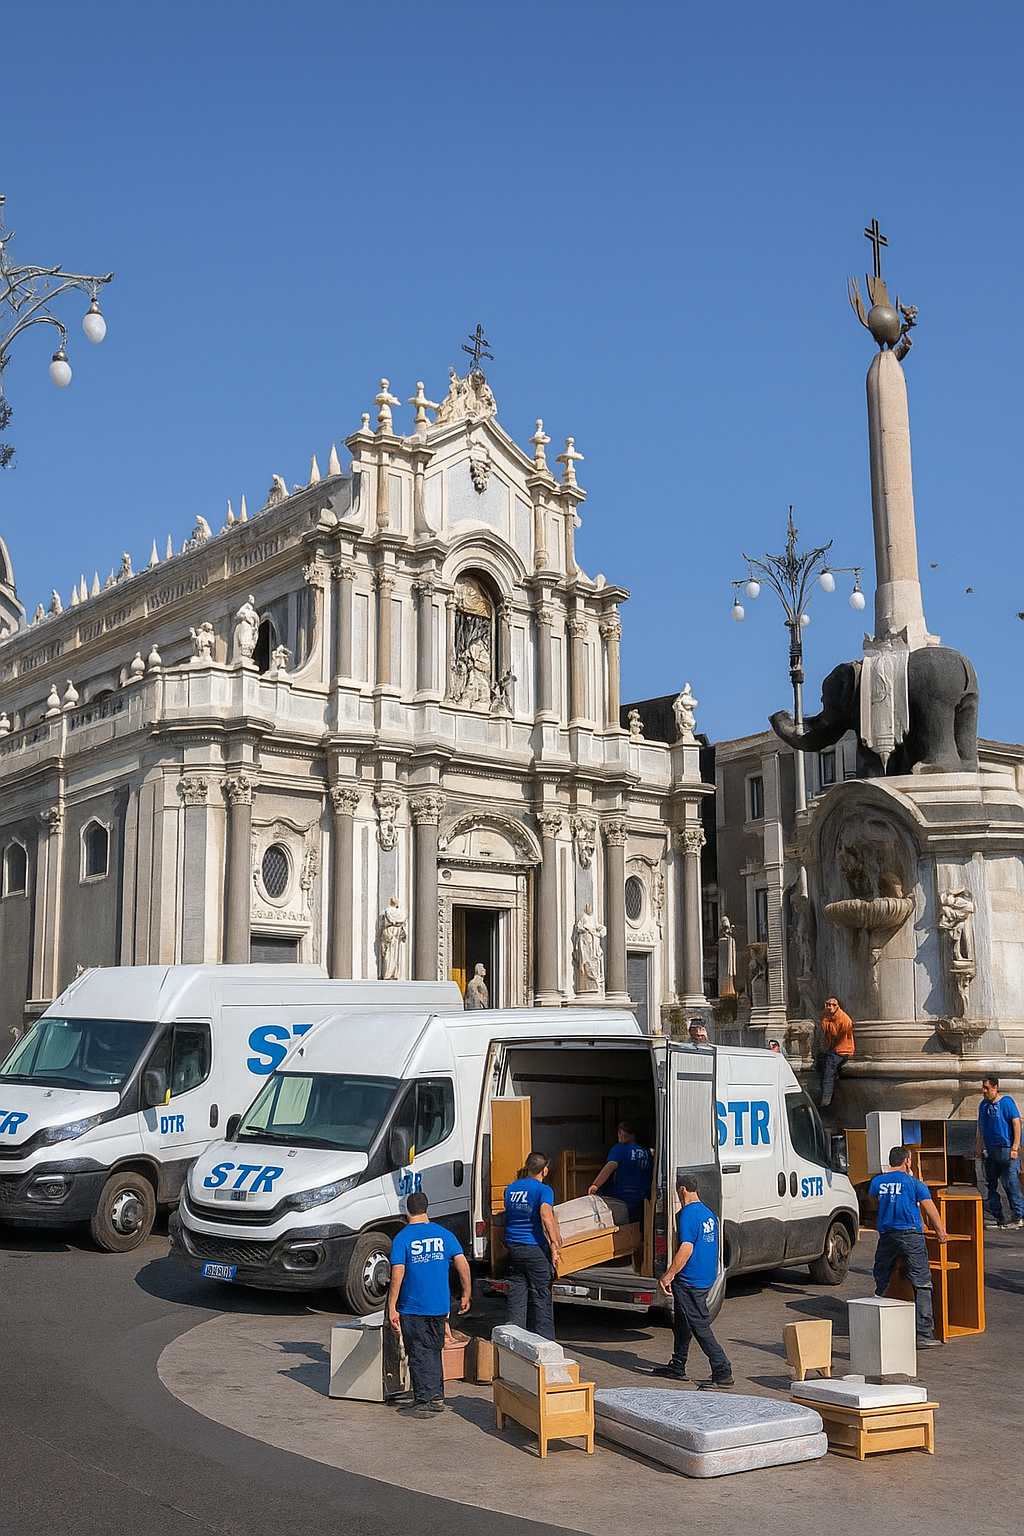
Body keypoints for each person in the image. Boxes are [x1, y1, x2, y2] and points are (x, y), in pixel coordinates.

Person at [387, 1191, 472, 1419]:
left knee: (419, 1353)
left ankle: (428, 1400)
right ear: (427, 1208)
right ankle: (433, 1395)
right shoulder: (444, 1235)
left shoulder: (403, 1238)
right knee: (433, 1351)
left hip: (414, 1306)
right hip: (439, 1306)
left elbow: (398, 1274)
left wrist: (392, 1306)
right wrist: (466, 1293)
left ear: (407, 1210)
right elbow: (462, 1264)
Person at [654, 1174, 733, 1389]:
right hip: (704, 1276)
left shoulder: (688, 1214)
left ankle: (722, 1370)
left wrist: (668, 1274)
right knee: (682, 1322)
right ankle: (677, 1364)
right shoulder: (709, 1214)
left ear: (682, 1190)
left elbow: (686, 1248)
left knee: (698, 1325)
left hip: (689, 1280)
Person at [869, 1145, 948, 1349]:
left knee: (882, 1277)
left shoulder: (877, 1182)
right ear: (907, 1161)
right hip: (911, 1235)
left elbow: (874, 1203)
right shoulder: (915, 1184)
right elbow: (931, 1210)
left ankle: (880, 1324)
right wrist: (941, 1233)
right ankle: (923, 1333)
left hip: (887, 1235)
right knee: (922, 1283)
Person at [503, 1151, 562, 1340]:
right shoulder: (543, 1190)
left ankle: (515, 1337)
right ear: (545, 1170)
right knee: (541, 1295)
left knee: (518, 1293)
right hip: (533, 1246)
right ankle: (546, 1342)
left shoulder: (511, 1188)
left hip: (514, 1247)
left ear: (528, 1167)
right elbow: (546, 1215)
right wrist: (554, 1244)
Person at [974, 1075, 1024, 1229]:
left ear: (995, 1088)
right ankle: (997, 1216)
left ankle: (1018, 1216)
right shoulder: (983, 1105)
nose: (984, 1091)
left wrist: (1015, 1147)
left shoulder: (1006, 1102)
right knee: (991, 1184)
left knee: (1011, 1183)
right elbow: (980, 1126)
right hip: (990, 1150)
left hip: (1006, 1149)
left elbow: (1016, 1123)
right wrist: (978, 1145)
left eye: (987, 1088)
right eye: (983, 1088)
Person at [587, 1122, 653, 1224]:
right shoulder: (647, 1152)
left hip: (624, 1197)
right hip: (643, 1197)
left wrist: (595, 1185)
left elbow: (609, 1168)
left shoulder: (620, 1148)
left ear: (621, 1133)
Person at [818, 997, 854, 1108]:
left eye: (832, 1005)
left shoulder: (844, 1019)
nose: (830, 1007)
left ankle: (826, 1098)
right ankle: (825, 1087)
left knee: (830, 1066)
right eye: (828, 1004)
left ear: (837, 1006)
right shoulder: (828, 1017)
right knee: (819, 1061)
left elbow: (837, 1036)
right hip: (834, 1048)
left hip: (843, 1049)